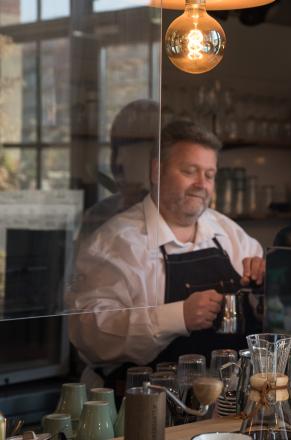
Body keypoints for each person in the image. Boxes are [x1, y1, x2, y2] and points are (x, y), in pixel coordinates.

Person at [68, 119, 265, 389]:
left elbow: (269, 315)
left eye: (209, 175)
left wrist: (264, 285)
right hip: (140, 405)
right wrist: (178, 317)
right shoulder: (115, 243)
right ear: (156, 171)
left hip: (227, 404)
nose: (201, 184)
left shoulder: (231, 235)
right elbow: (89, 334)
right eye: (190, 171)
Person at [77, 99, 158, 246]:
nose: (118, 160)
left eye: (131, 149)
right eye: (115, 148)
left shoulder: (184, 221)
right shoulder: (98, 216)